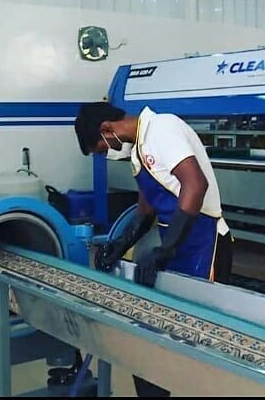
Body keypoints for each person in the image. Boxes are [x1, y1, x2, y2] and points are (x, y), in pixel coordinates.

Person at [74, 101, 233, 397]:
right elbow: (147, 208)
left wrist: (166, 249)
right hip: (177, 245)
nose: (106, 155)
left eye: (101, 149)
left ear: (106, 129)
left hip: (205, 244)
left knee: (192, 341)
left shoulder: (161, 129)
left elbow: (195, 185)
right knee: (155, 344)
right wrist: (120, 244)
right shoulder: (138, 150)